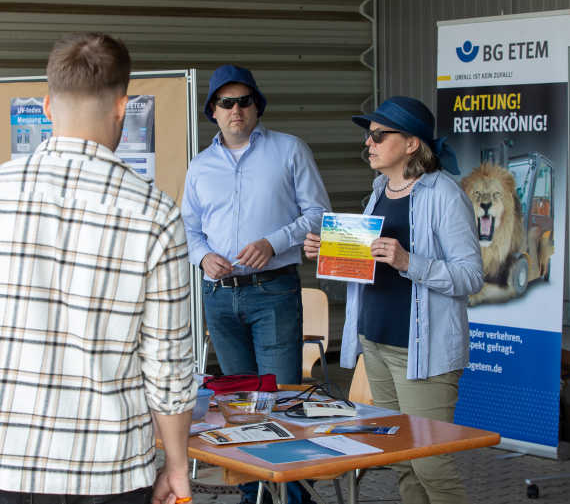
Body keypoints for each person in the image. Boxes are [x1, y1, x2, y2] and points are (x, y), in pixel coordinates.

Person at [0, 32, 196, 504]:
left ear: (47, 106)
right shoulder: (155, 213)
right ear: (122, 107)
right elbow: (168, 366)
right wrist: (175, 465)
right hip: (109, 471)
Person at [304, 96, 483, 504]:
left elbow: (471, 276)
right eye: (368, 137)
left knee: (431, 463)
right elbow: (366, 266)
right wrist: (328, 251)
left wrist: (409, 261)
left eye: (378, 135)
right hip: (377, 344)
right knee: (400, 458)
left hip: (424, 352)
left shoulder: (445, 196)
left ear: (411, 144)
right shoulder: (378, 191)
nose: (368, 144)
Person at [181, 64, 330, 504]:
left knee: (279, 399)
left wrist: (274, 241)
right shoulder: (200, 166)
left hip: (274, 290)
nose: (236, 110)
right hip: (219, 297)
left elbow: (319, 214)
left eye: (244, 101)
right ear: (213, 110)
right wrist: (203, 256)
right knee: (238, 403)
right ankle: (253, 494)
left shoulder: (289, 150)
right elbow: (187, 231)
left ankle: (292, 497)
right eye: (226, 103)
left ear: (257, 106)